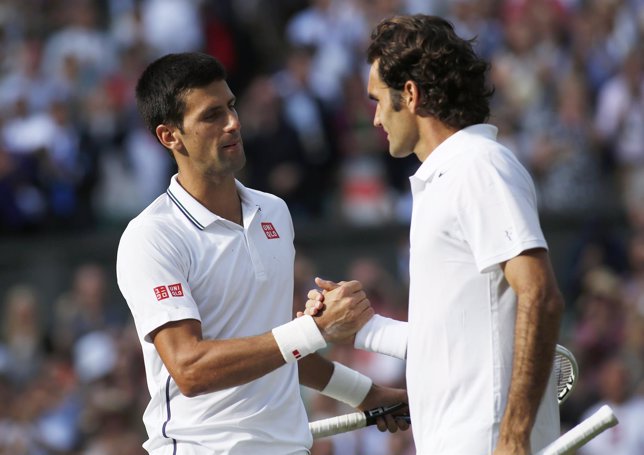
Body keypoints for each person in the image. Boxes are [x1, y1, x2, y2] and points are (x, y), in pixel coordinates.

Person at [115, 52, 408, 455]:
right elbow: (190, 368)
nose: (233, 122)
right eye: (211, 115)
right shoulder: (151, 236)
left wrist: (366, 393)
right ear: (170, 136)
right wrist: (315, 330)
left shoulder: (274, 212)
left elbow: (276, 347)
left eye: (231, 106)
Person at [305, 14, 565, 455]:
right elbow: (451, 340)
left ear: (409, 94)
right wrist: (362, 328)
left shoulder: (478, 164)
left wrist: (515, 435)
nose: (374, 120)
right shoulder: (447, 178)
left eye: (377, 101)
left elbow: (540, 294)